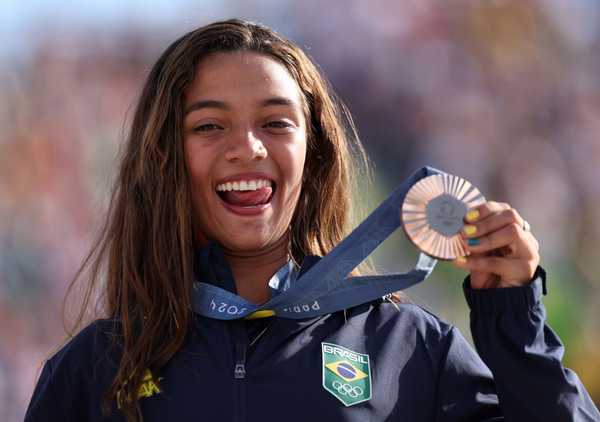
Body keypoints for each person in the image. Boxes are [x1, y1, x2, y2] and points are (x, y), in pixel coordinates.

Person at [24, 18, 599, 422]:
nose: (247, 148)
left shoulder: (408, 348)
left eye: (276, 123)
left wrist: (515, 327)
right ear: (163, 158)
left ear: (314, 153)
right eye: (208, 126)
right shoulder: (96, 370)